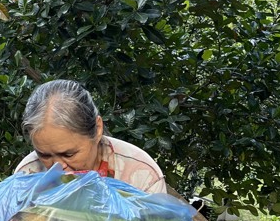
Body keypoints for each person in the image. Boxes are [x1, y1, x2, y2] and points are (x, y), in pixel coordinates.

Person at [14, 79, 167, 193]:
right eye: (44, 155)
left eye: (69, 154)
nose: (58, 167)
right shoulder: (27, 175)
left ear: (98, 129)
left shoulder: (140, 175)